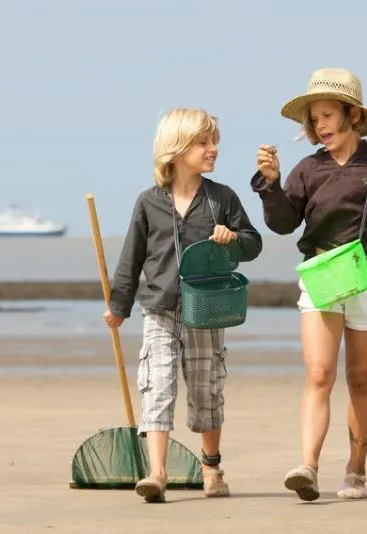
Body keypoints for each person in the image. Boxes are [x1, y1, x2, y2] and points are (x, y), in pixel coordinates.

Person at [250, 67, 367, 501]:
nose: (318, 125)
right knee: (319, 374)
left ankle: (356, 471)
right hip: (321, 275)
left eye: (326, 115)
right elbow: (283, 223)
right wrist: (269, 183)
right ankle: (308, 467)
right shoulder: (307, 169)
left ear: (352, 115)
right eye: (313, 118)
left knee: (360, 377)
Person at [104, 107, 263, 503]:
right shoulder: (148, 202)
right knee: (157, 385)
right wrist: (118, 306)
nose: (213, 150)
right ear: (176, 149)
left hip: (207, 308)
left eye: (215, 143)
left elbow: (253, 243)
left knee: (207, 389)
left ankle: (212, 467)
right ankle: (157, 474)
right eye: (203, 142)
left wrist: (233, 239)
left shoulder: (221, 199)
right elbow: (131, 258)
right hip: (158, 308)